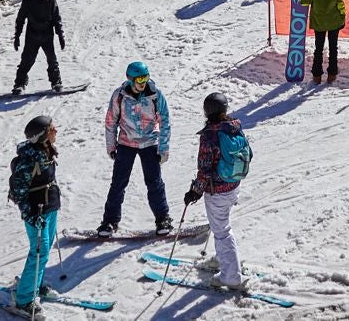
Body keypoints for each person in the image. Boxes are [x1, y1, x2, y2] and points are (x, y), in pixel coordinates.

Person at [185, 92, 252, 291]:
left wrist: (195, 192)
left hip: (218, 192)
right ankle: (223, 259)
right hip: (234, 184)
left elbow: (204, 168)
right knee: (221, 226)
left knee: (222, 231)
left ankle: (231, 277)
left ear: (206, 111)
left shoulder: (209, 135)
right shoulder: (234, 127)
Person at [99, 61, 171, 237]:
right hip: (126, 143)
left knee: (154, 183)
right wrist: (111, 145)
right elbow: (111, 121)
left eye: (145, 77)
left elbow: (165, 121)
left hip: (149, 143)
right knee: (118, 183)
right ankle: (109, 221)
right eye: (139, 78)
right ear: (130, 79)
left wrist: (163, 148)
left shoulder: (155, 95)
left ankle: (163, 219)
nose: (143, 82)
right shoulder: (120, 96)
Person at [8, 116, 60, 316]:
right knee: (39, 251)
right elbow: (19, 191)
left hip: (50, 205)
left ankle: (35, 285)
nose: (55, 131)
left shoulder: (46, 151)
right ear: (42, 136)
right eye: (51, 129)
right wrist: (30, 215)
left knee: (44, 251)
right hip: (36, 211)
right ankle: (23, 299)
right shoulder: (29, 159)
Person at [13, 0, 66, 95]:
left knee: (52, 60)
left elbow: (57, 19)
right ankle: (19, 84)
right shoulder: (28, 2)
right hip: (32, 36)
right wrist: (17, 36)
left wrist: (60, 35)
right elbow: (20, 20)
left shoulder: (51, 1)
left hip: (47, 35)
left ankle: (56, 82)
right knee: (27, 60)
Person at [299, 0, 346, 82]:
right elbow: (340, 4)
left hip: (319, 23)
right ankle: (332, 74)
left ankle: (317, 76)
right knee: (333, 48)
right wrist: (342, 18)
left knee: (318, 49)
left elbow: (304, 2)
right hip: (334, 23)